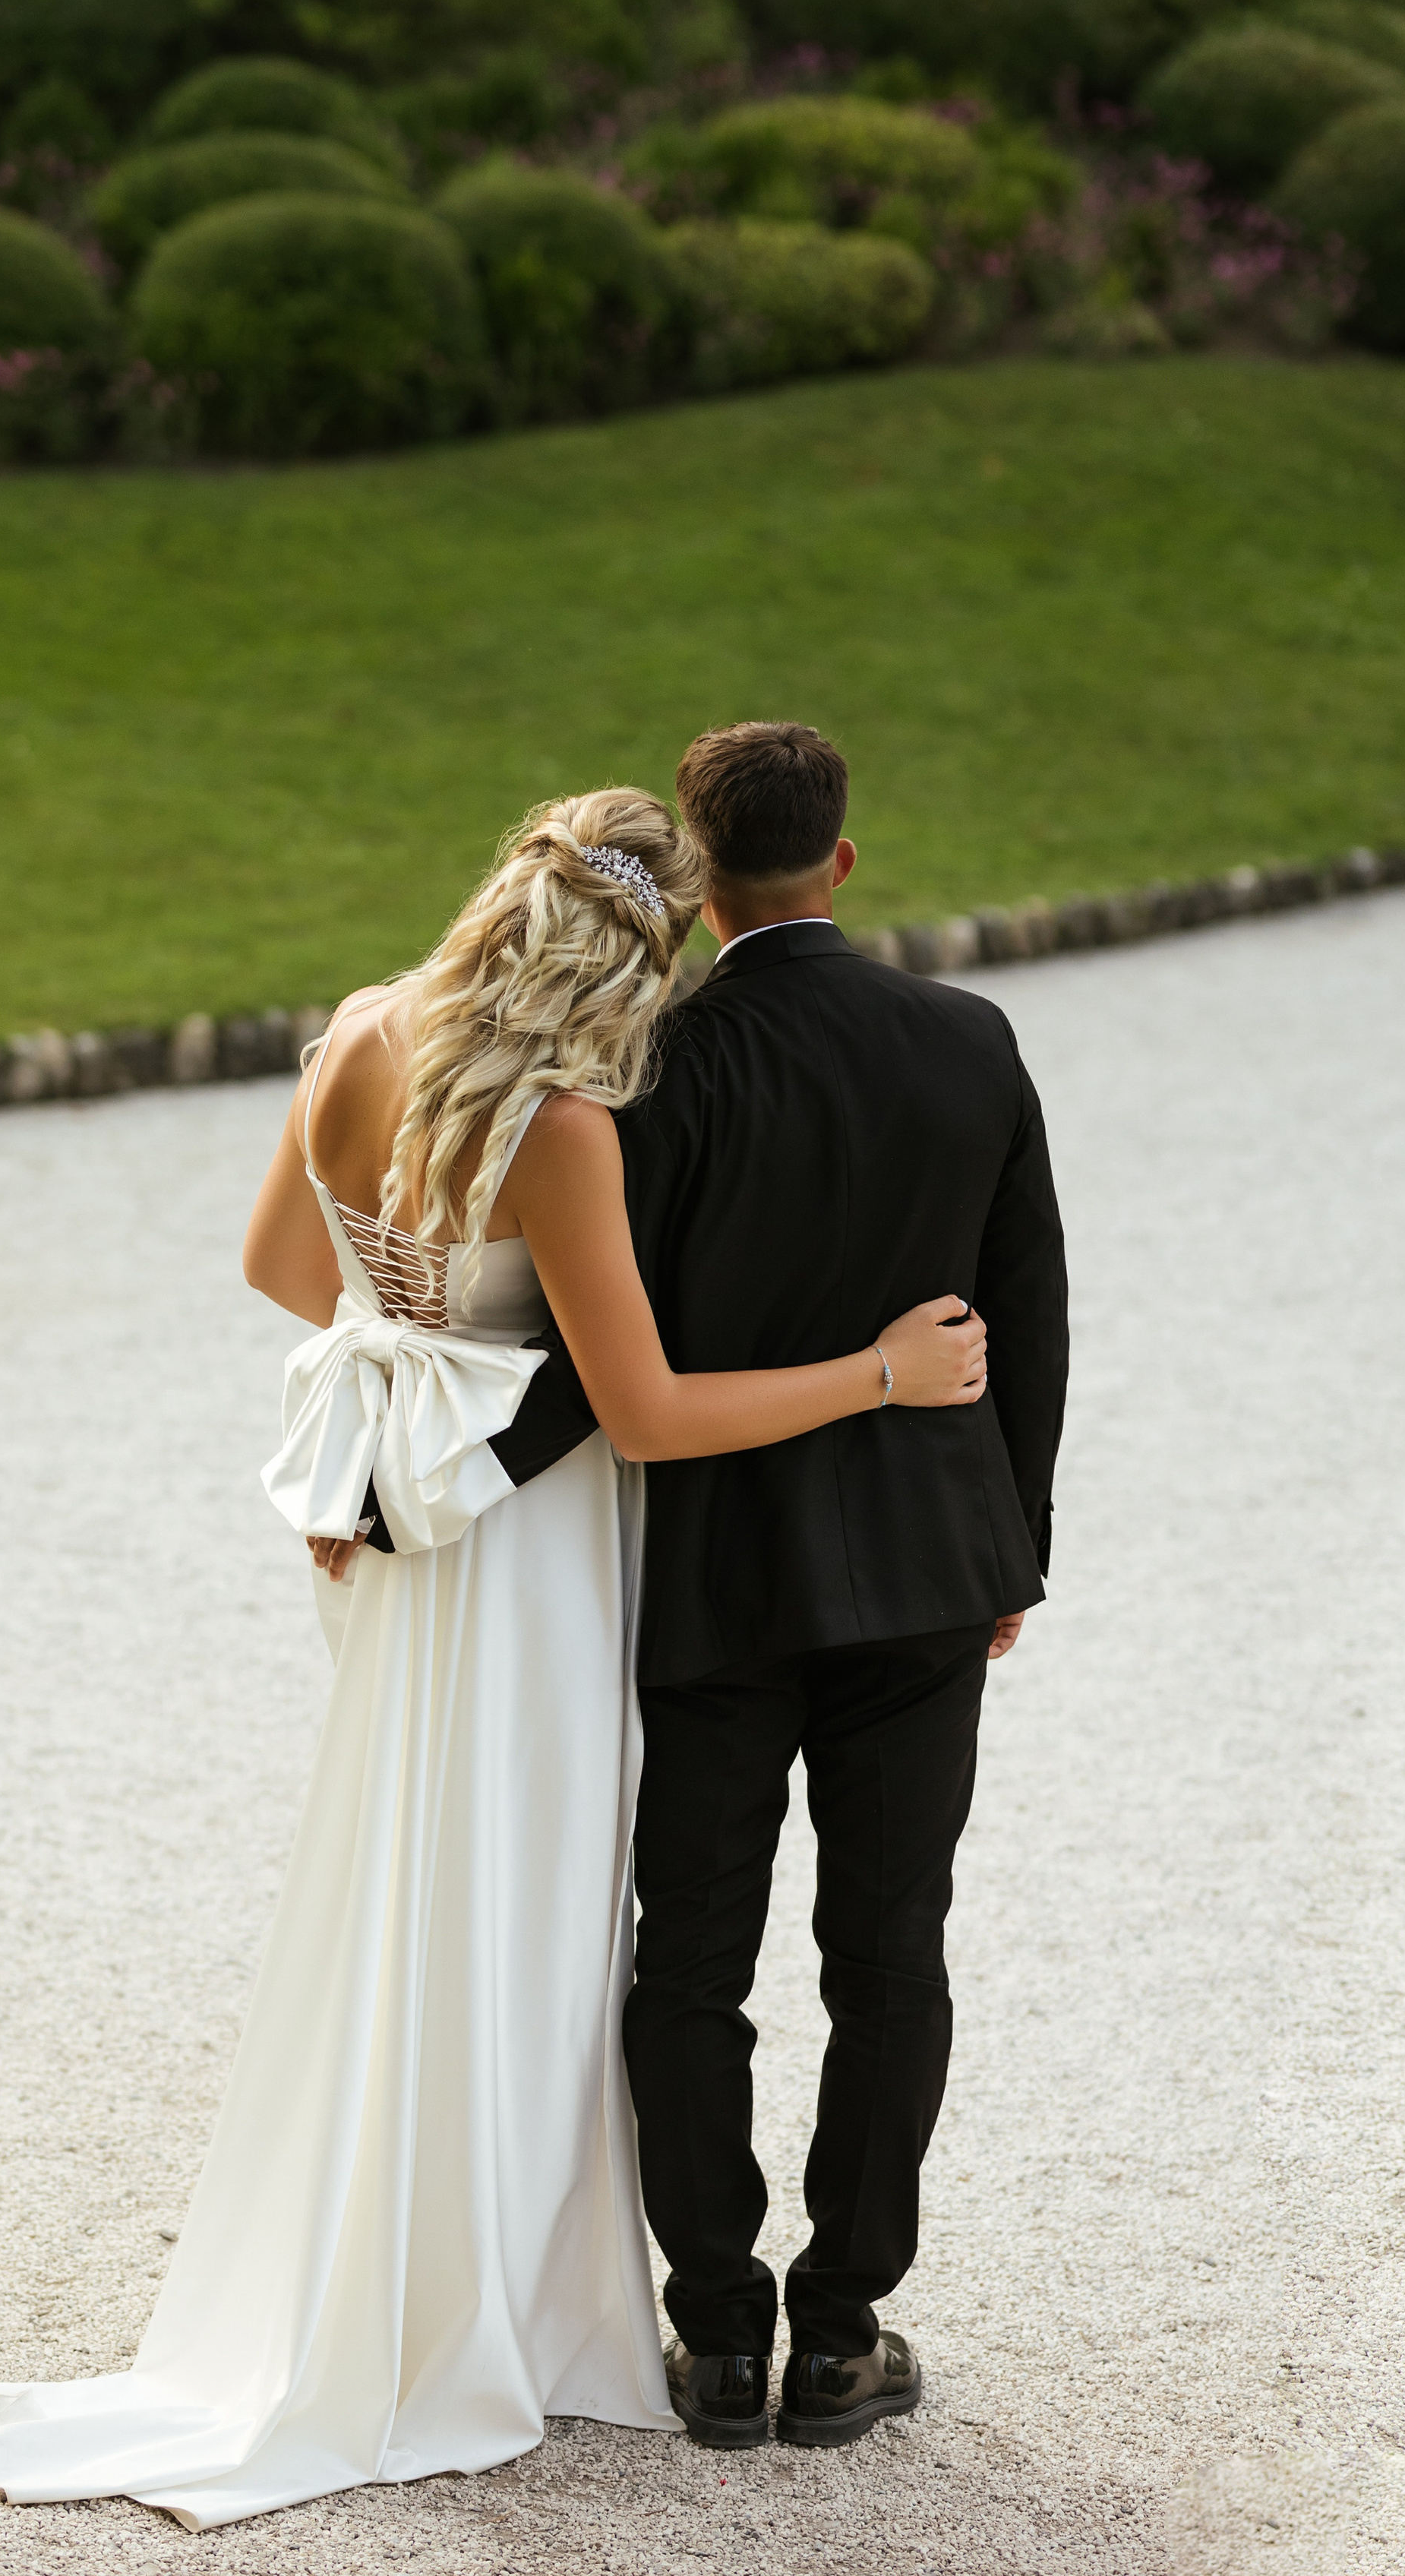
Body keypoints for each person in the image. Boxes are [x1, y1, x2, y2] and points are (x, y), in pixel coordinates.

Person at [0, 783, 987, 2530]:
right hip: (526, 1552)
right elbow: (642, 1413)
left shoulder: (360, 1035)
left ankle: (384, 2268)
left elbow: (288, 1267)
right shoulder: (564, 1123)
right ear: (635, 943)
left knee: (405, 1886)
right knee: (526, 1906)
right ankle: (487, 2296)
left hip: (403, 1535)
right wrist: (881, 1374)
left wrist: (413, 1359)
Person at [415, 722, 1071, 2453]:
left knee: (684, 1962)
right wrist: (1021, 1546)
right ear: (839, 863)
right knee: (892, 1949)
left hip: (714, 1586)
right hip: (930, 1577)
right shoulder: (968, 1041)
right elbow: (1025, 1310)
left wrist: (427, 1488)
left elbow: (585, 1352)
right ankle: (841, 2328)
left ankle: (712, 2336)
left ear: (697, 885)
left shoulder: (648, 1073)